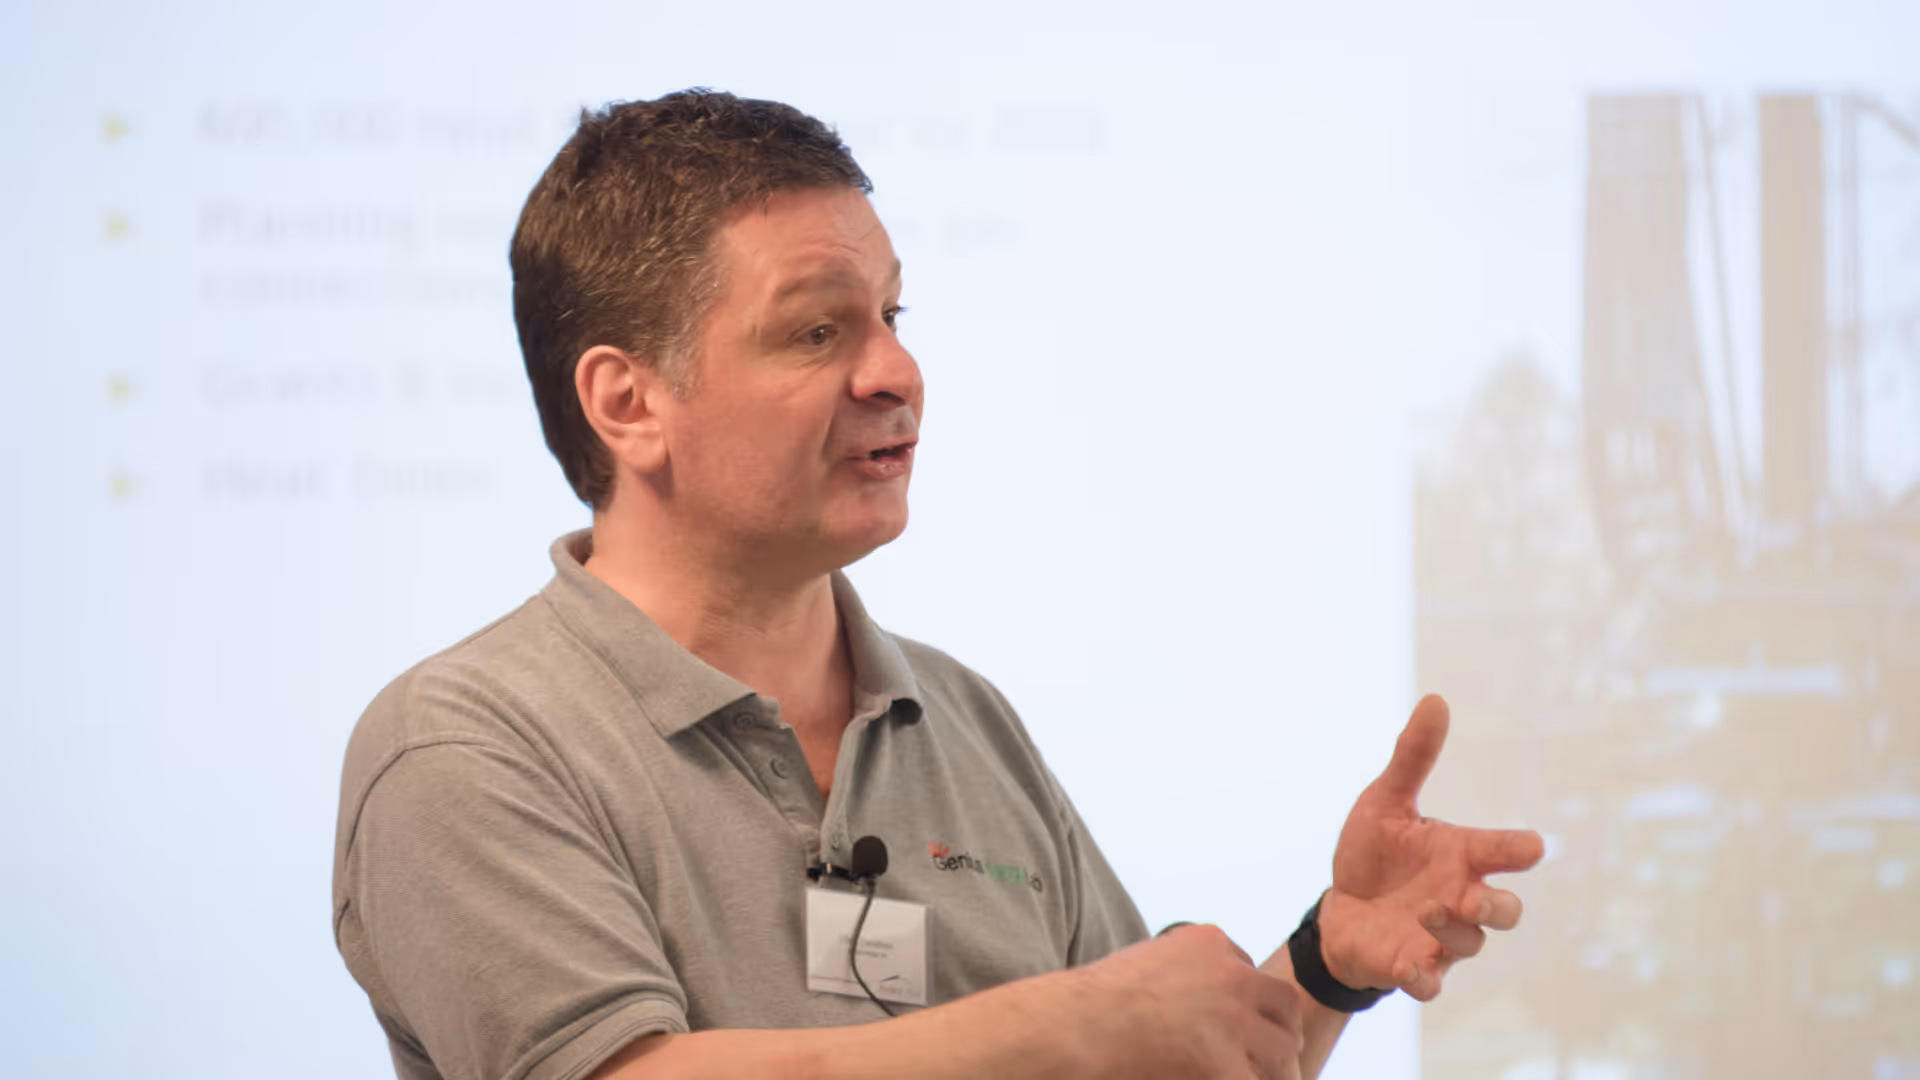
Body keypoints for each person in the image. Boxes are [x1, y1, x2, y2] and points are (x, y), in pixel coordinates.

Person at [331, 90, 1544, 1080]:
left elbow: (1148, 1059)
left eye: (894, 314)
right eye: (817, 332)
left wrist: (1318, 967)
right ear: (627, 402)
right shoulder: (465, 747)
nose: (897, 370)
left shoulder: (962, 720)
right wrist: (1066, 1026)